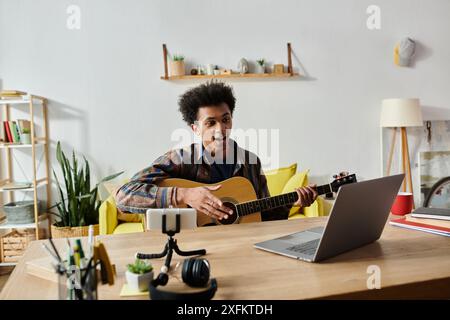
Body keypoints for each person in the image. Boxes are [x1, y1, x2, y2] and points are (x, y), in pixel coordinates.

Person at [115, 81, 318, 222]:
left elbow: (262, 216)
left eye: (225, 119)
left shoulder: (250, 162)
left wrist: (292, 203)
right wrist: (184, 195)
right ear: (195, 128)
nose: (220, 129)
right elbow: (123, 196)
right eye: (210, 122)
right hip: (193, 249)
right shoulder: (180, 159)